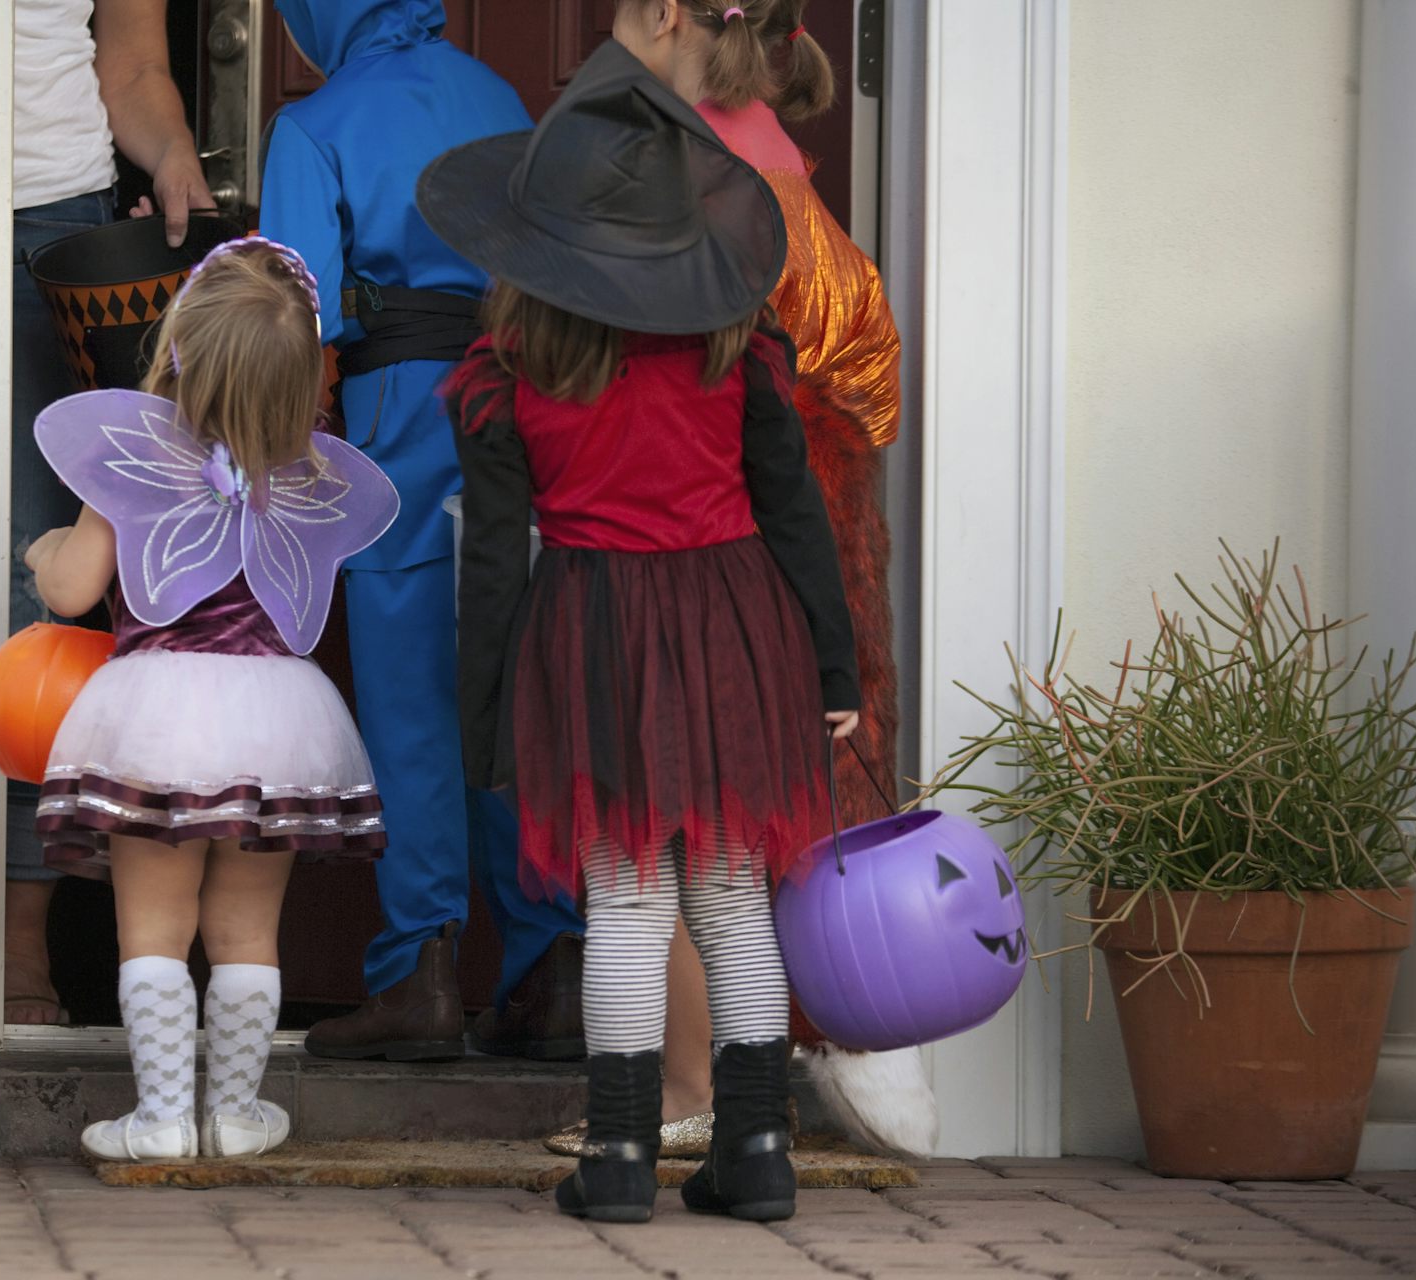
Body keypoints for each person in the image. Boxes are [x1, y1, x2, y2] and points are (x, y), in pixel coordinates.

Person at [422, 41, 859, 1224]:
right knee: (728, 890)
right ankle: (758, 1147)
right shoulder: (741, 355)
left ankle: (617, 1161)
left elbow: (494, 566)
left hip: (593, 626)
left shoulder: (505, 372)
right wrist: (834, 661)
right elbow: (794, 512)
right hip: (736, 628)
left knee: (622, 897)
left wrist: (487, 714)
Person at [541, 0, 934, 1162]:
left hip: (710, 542)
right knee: (727, 845)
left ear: (665, 19)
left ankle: (682, 1092)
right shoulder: (756, 152)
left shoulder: (693, 167)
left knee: (658, 834)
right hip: (779, 524)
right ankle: (752, 1114)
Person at [259, 0, 586, 1063]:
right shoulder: (500, 100)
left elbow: (294, 319)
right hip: (519, 415)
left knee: (411, 710)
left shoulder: (315, 124)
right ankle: (552, 968)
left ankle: (420, 974)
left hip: (397, 424)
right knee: (515, 696)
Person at [23, 238, 396, 1161]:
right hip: (276, 723)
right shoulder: (308, 475)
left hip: (157, 716)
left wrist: (38, 555)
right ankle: (233, 1115)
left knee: (154, 921)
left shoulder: (135, 457)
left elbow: (73, 590)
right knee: (246, 928)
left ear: (176, 347)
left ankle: (158, 1121)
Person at [7, 0, 217, 1027]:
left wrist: (172, 149)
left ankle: (19, 940)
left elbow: (131, 63)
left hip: (61, 217)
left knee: (45, 592)